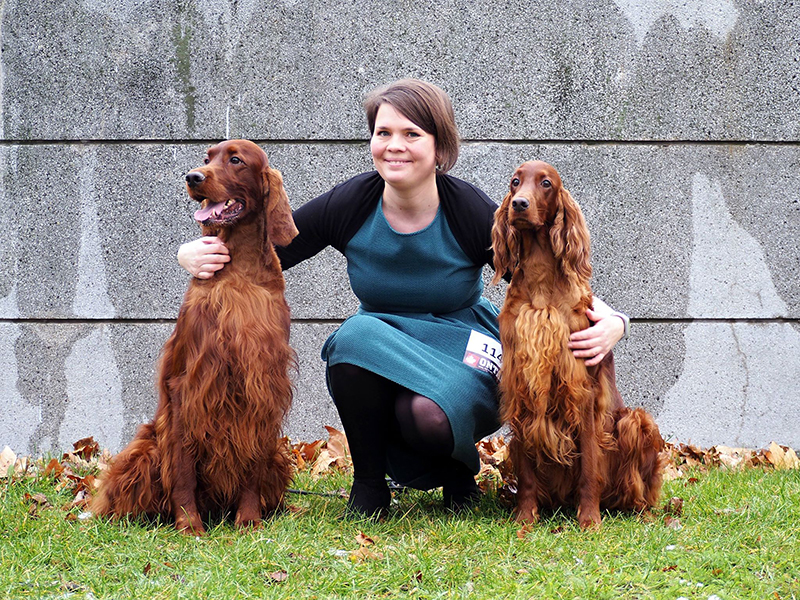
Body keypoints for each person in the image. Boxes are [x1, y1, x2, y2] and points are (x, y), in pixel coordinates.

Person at [177, 79, 626, 517]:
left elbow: (542, 276)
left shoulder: (465, 207)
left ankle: (456, 473)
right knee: (355, 342)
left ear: (439, 148)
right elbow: (268, 246)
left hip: (464, 346)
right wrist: (189, 252)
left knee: (423, 410)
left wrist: (614, 321)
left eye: (412, 134)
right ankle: (370, 485)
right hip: (382, 345)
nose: (395, 145)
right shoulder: (351, 202)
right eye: (383, 133)